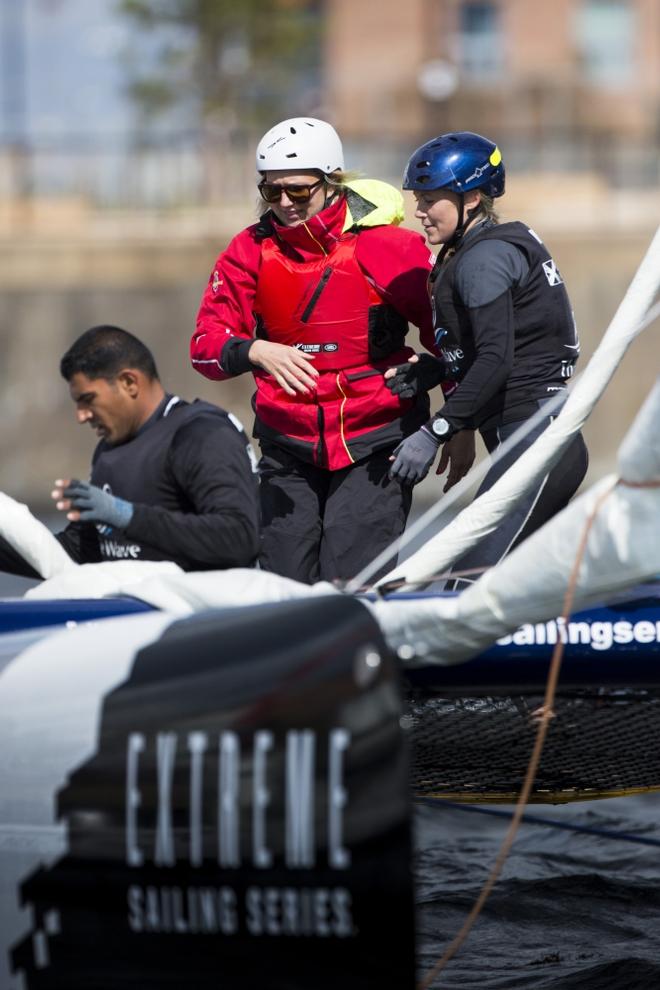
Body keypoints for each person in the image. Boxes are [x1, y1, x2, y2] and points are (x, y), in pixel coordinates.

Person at [191, 117, 474, 584]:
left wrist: (459, 425)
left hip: (377, 441)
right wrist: (256, 350)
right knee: (282, 589)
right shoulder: (248, 251)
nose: (284, 204)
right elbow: (204, 348)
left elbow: (449, 340)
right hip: (287, 444)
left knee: (350, 579)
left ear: (331, 183)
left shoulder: (390, 246)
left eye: (299, 191)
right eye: (271, 191)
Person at [387, 131, 589, 583]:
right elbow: (505, 349)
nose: (419, 211)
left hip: (538, 446)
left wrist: (437, 430)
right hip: (527, 439)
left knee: (465, 586)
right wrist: (439, 369)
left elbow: (497, 360)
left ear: (472, 197)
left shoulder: (484, 259)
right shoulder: (475, 250)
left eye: (430, 200)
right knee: (512, 587)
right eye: (418, 199)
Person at [0, 325, 260, 579]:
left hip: (196, 615)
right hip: (125, 612)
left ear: (129, 382)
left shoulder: (203, 433)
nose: (81, 416)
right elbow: (73, 553)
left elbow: (239, 539)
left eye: (88, 399)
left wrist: (128, 516)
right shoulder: (110, 449)